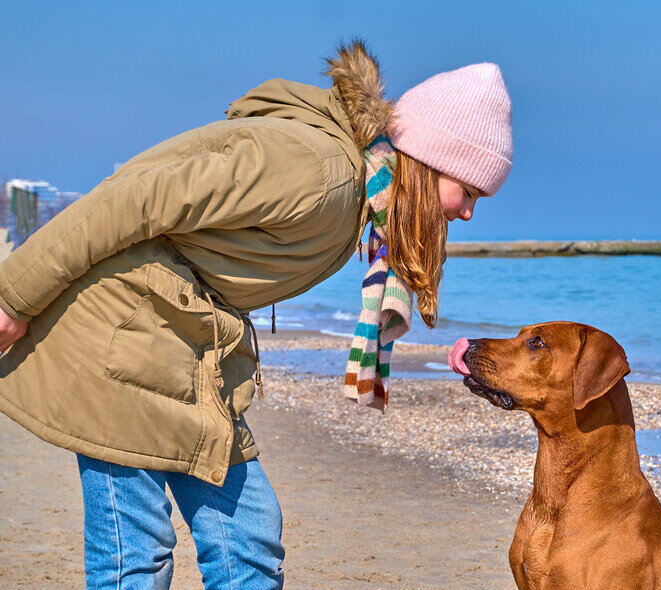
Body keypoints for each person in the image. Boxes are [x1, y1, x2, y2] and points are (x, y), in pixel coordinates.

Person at [0, 38, 513, 589]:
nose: (466, 213)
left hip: (182, 340)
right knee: (134, 549)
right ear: (428, 164)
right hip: (120, 329)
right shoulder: (318, 174)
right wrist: (13, 297)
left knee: (247, 540)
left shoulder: (354, 194)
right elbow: (137, 195)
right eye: (467, 191)